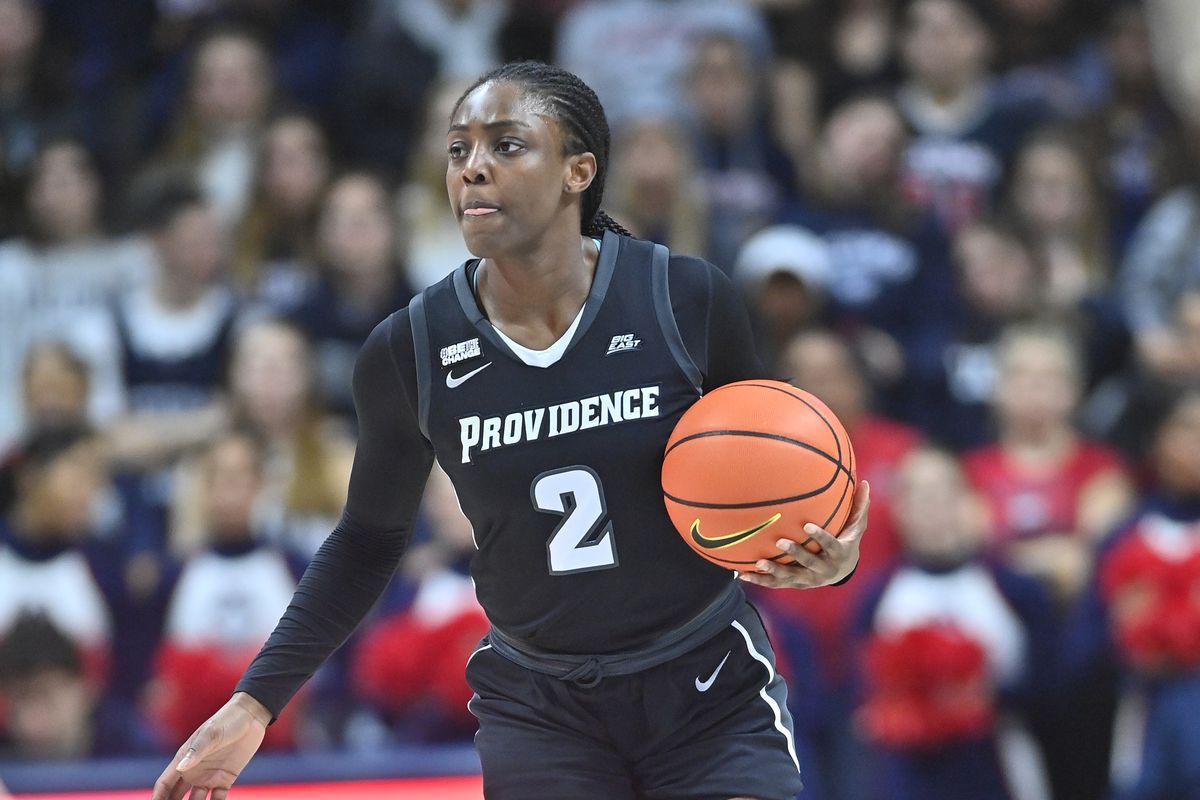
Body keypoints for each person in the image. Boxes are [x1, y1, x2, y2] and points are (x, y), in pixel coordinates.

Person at [152, 61, 869, 800]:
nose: (474, 169)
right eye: (459, 149)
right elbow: (367, 542)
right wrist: (254, 703)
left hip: (706, 687)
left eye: (507, 145)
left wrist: (828, 558)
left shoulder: (684, 298)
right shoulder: (410, 349)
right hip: (543, 710)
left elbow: (776, 476)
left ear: (577, 171)